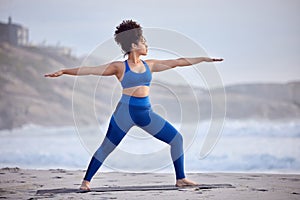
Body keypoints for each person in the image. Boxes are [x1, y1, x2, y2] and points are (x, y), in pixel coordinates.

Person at [45, 20, 223, 191]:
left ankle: (181, 179)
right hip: (124, 113)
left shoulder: (150, 65)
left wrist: (204, 59)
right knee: (106, 147)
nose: (147, 45)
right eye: (143, 41)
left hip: (145, 113)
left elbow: (178, 62)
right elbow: (90, 70)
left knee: (176, 139)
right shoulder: (119, 67)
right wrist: (64, 71)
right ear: (133, 45)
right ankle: (86, 181)